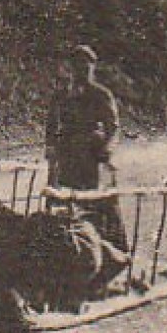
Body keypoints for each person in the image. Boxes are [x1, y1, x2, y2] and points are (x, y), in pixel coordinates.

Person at [45, 45, 129, 259]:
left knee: (98, 204)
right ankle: (68, 251)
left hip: (92, 158)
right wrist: (51, 147)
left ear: (93, 67)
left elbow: (113, 127)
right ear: (71, 68)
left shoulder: (101, 95)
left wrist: (106, 150)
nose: (82, 70)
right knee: (63, 203)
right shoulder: (62, 96)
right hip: (67, 158)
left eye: (87, 65)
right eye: (77, 65)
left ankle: (112, 253)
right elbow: (51, 125)